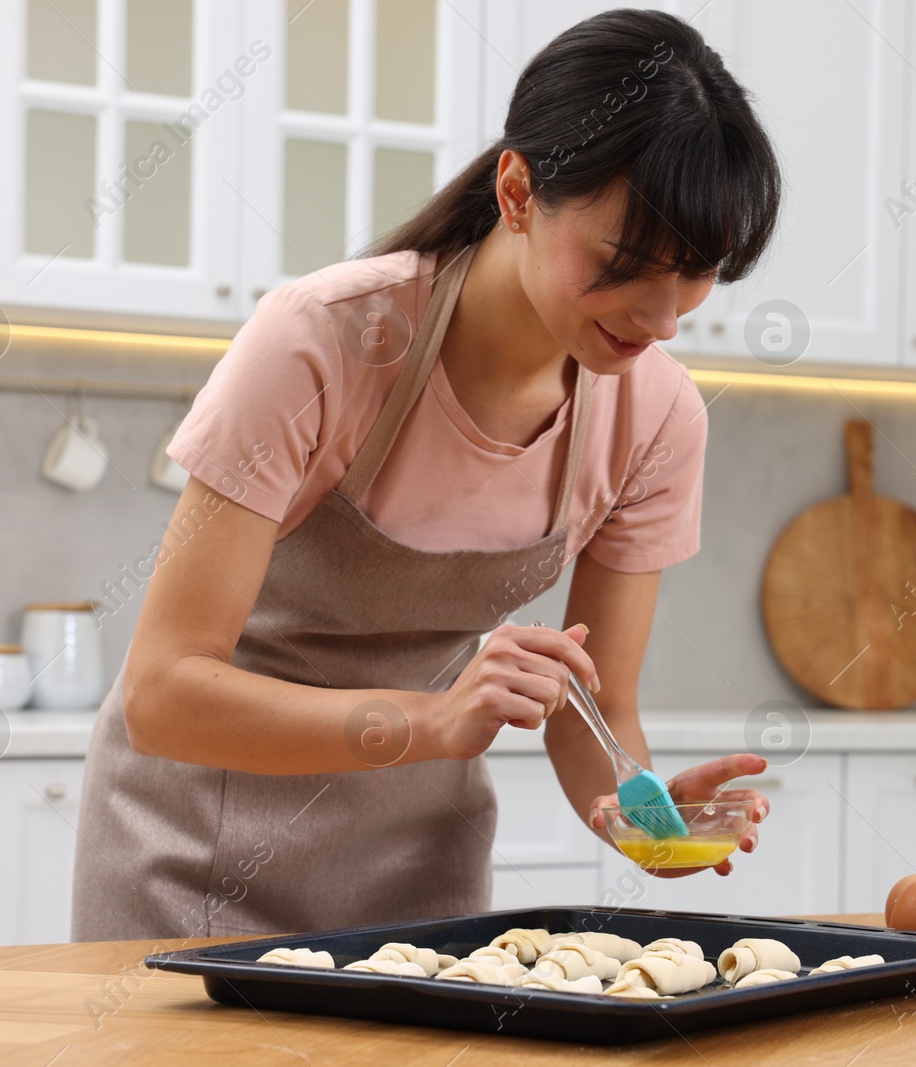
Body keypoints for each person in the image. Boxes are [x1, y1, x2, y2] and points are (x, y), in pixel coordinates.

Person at [70, 8, 783, 942]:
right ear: (519, 191)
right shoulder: (325, 342)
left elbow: (596, 706)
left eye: (697, 272)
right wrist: (434, 720)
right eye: (625, 263)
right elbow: (164, 692)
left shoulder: (655, 415)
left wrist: (649, 823)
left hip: (420, 885)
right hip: (192, 866)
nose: (663, 316)